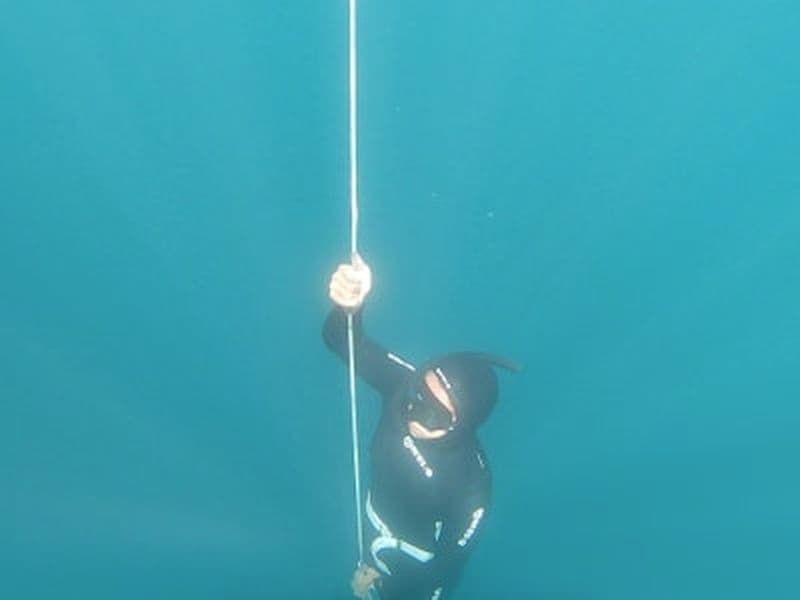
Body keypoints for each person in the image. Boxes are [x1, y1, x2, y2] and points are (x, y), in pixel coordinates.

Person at [323, 255, 518, 600]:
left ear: (460, 428)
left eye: (434, 415)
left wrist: (383, 588)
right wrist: (349, 306)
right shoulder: (403, 389)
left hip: (412, 576)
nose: (413, 414)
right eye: (418, 394)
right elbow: (342, 340)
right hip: (370, 534)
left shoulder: (471, 488)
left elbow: (445, 570)